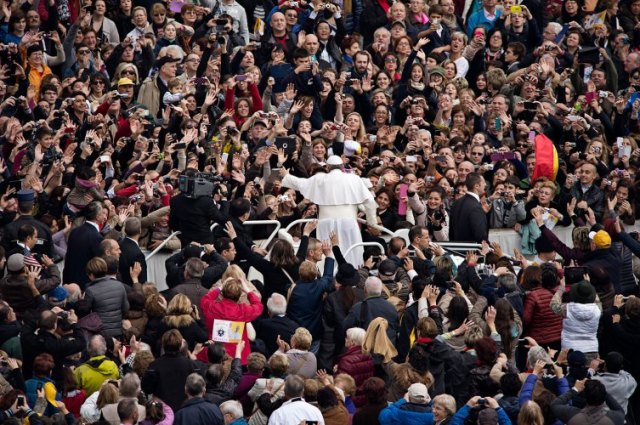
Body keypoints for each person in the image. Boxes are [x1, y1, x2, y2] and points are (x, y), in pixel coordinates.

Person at [281, 156, 378, 266]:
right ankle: (352, 275)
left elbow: (300, 183)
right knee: (352, 252)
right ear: (342, 167)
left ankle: (327, 276)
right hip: (348, 224)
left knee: (327, 254)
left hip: (326, 224)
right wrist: (371, 221)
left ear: (327, 168)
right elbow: (370, 202)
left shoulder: (319, 179)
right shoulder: (354, 179)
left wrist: (286, 176)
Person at [343, 277, 399, 344]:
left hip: (366, 350)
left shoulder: (358, 308)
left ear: (365, 290)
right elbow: (397, 329)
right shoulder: (392, 308)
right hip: (387, 350)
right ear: (381, 290)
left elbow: (345, 328)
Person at [63, 202, 107, 287]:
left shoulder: (75, 231)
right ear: (97, 216)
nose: (105, 217)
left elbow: (68, 258)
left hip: (70, 279)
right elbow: (97, 264)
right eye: (103, 214)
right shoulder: (96, 237)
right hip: (85, 283)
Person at [84, 257, 129, 337]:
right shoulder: (119, 285)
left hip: (100, 333)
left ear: (91, 275)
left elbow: (86, 313)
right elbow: (125, 309)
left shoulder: (90, 290)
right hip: (118, 331)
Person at [551, 378, 625, 425]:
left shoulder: (571, 415)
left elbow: (555, 404)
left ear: (584, 397)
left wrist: (575, 389)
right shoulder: (616, 418)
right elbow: (620, 410)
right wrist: (600, 389)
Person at [449, 172, 488, 243]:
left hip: (456, 249)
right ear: (476, 186)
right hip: (473, 251)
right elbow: (480, 236)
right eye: (483, 183)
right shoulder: (476, 207)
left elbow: (451, 233)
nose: (485, 185)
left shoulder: (456, 203)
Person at [118, 217, 148, 287]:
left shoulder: (118, 245)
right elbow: (142, 279)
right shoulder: (138, 254)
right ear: (140, 231)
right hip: (132, 290)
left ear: (125, 230)